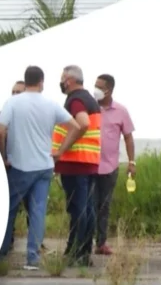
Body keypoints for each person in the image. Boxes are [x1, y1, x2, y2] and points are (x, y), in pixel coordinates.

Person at [0, 66, 80, 270]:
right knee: (37, 211)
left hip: (20, 165)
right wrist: (59, 151)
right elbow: (76, 127)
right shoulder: (50, 104)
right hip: (44, 166)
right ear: (42, 81)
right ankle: (32, 258)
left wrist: (3, 155)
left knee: (9, 209)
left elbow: (0, 131)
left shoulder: (13, 103)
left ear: (26, 81)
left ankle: (0, 254)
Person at [54, 65, 102, 267]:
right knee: (86, 208)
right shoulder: (90, 99)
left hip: (75, 161)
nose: (62, 82)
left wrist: (61, 150)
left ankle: (78, 252)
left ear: (70, 80)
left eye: (63, 78)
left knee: (78, 209)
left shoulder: (76, 100)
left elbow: (82, 124)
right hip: (88, 161)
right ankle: (81, 251)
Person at [93, 74, 136, 255]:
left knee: (104, 206)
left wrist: (132, 162)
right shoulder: (90, 108)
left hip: (110, 167)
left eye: (99, 86)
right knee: (88, 205)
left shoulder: (121, 111)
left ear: (108, 90)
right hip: (90, 165)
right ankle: (84, 242)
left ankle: (101, 243)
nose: (95, 90)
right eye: (94, 85)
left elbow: (128, 137)